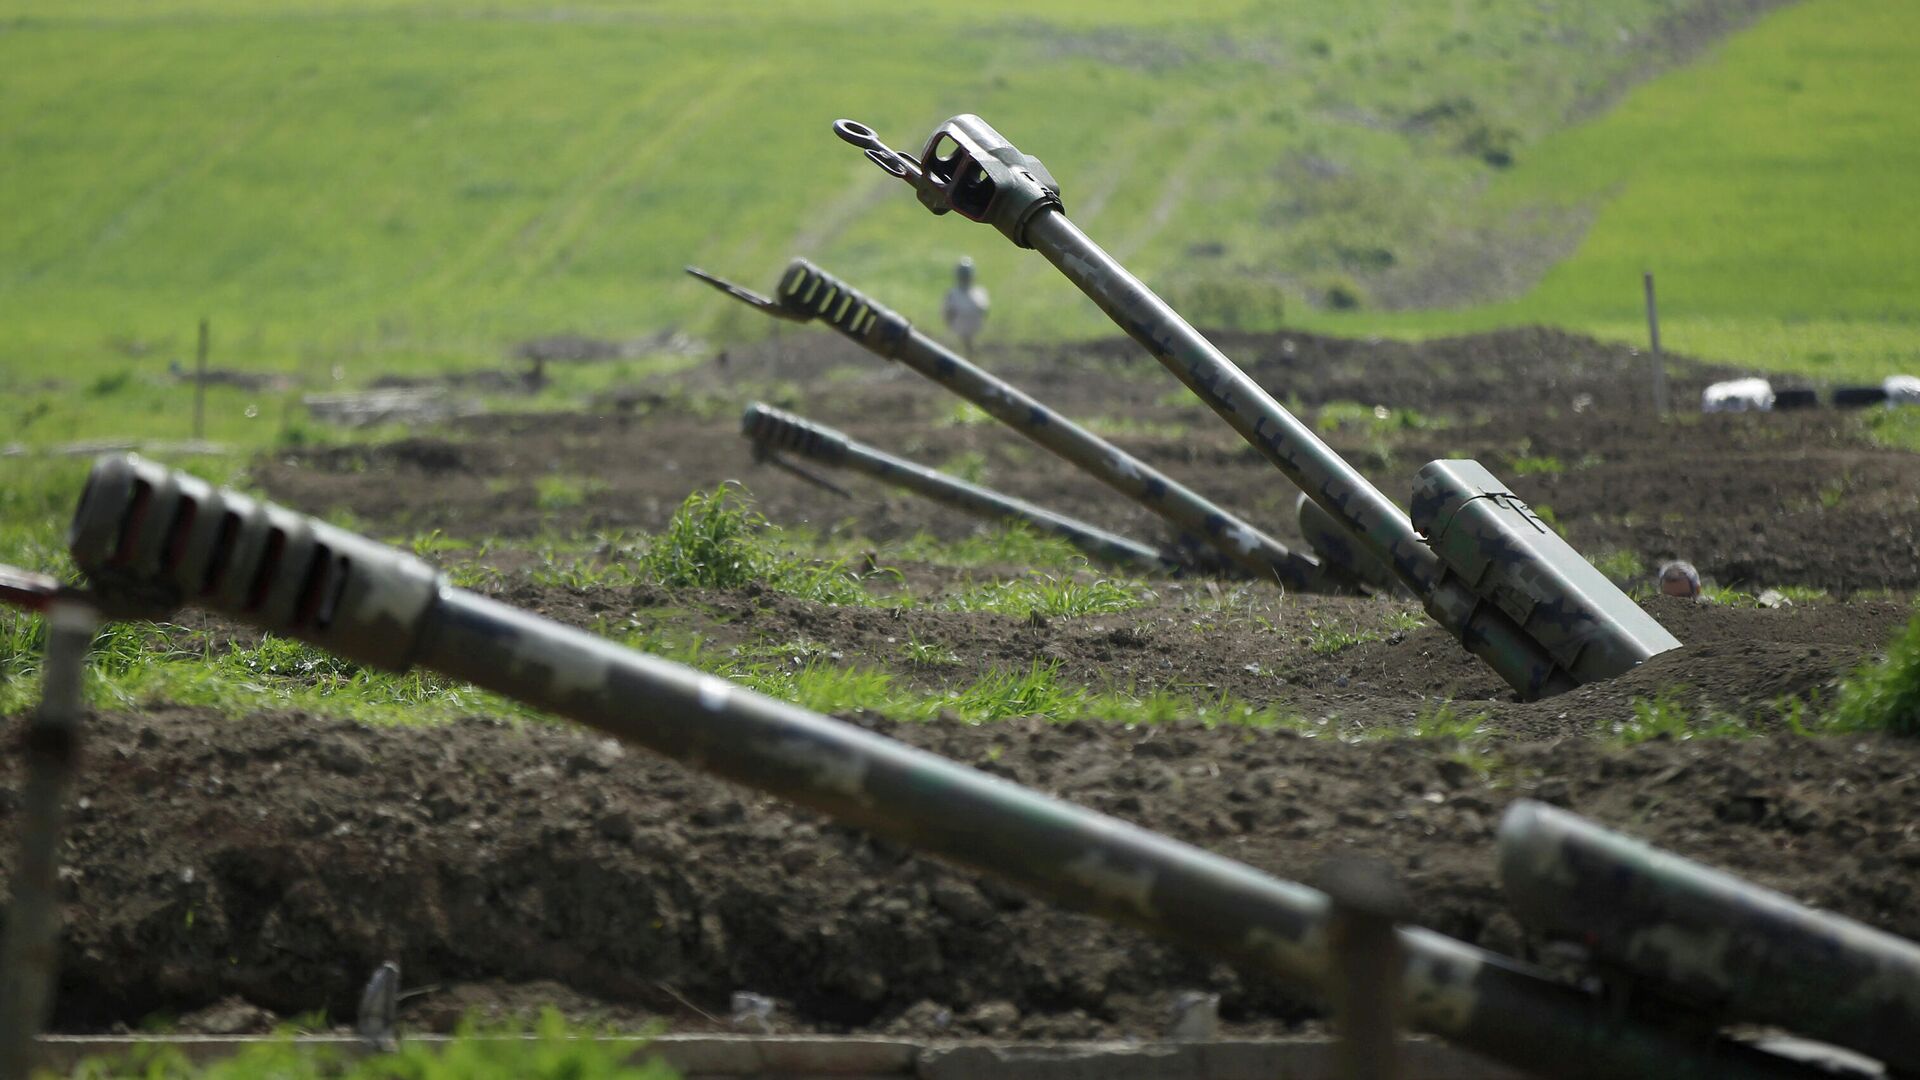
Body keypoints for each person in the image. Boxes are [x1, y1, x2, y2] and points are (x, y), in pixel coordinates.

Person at [942, 256, 989, 354]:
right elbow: (947, 314)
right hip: (957, 332)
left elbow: (984, 312)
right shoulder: (952, 294)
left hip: (974, 330)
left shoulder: (979, 293)